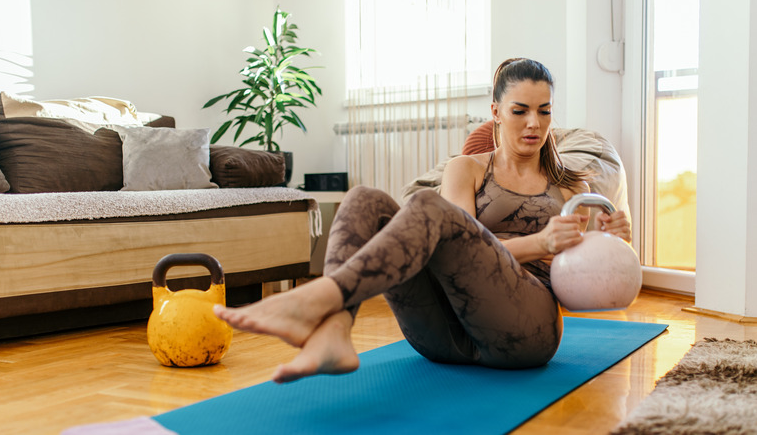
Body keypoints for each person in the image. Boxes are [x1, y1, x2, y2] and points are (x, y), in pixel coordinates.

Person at [214, 58, 632, 384]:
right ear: (496, 112)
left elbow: (590, 288)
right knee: (365, 199)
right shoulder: (465, 169)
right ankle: (334, 328)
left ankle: (318, 299)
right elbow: (464, 250)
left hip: (523, 333)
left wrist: (611, 242)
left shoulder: (571, 184)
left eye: (544, 111)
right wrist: (541, 241)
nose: (534, 123)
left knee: (430, 209)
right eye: (520, 110)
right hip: (442, 334)